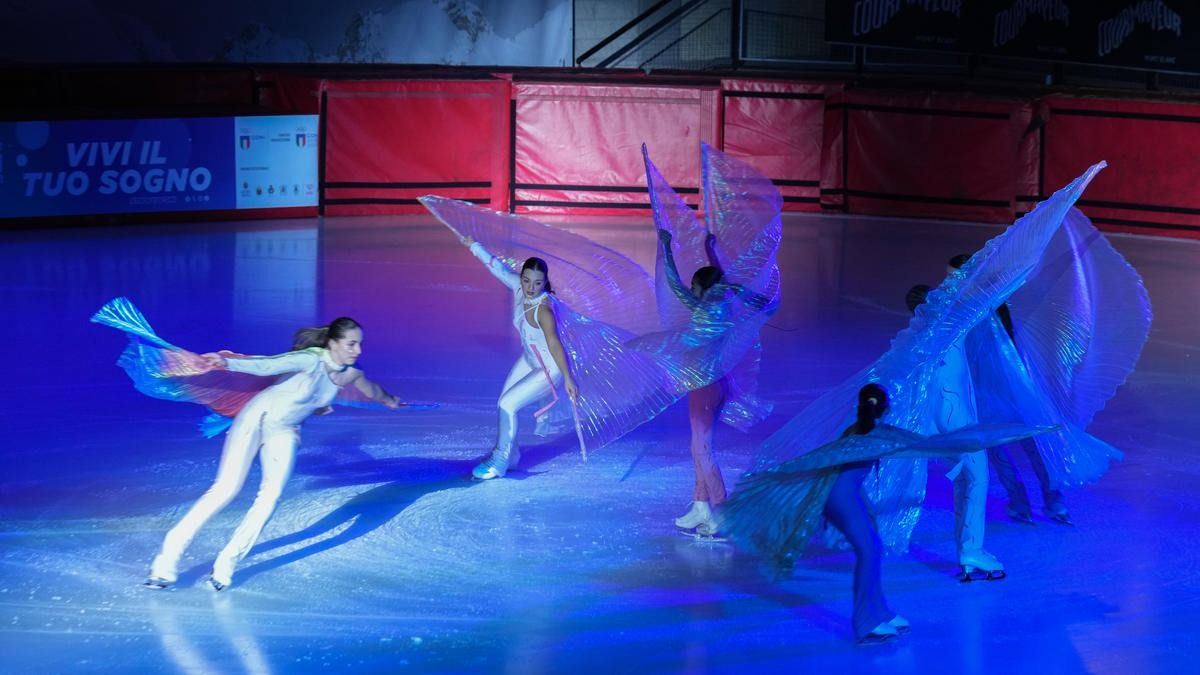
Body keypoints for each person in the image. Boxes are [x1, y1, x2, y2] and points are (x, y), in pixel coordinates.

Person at [91, 299, 400, 591]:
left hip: (285, 431)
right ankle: (165, 563)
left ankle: (226, 564)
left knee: (271, 496)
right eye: (351, 344)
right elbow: (265, 366)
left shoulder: (351, 374)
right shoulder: (309, 359)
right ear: (332, 343)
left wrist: (389, 399)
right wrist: (225, 362)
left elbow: (370, 389)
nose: (358, 350)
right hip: (256, 416)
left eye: (359, 344)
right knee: (225, 489)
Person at [947, 254, 1068, 524]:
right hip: (1004, 388)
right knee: (1021, 446)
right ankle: (1047, 501)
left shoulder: (965, 312)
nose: (949, 282)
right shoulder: (991, 304)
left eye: (954, 276)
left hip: (990, 390)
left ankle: (1028, 502)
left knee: (1007, 448)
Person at [906, 285, 1005, 581]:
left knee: (966, 479)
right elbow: (985, 302)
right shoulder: (951, 331)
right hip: (956, 421)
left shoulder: (916, 340)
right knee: (977, 479)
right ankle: (971, 550)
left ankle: (968, 551)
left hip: (937, 423)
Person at [459, 235, 578, 480]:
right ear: (521, 277)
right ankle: (511, 455)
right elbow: (498, 268)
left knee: (507, 404)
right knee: (503, 403)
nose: (530, 288)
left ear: (545, 283)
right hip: (530, 359)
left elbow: (554, 344)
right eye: (526, 281)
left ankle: (500, 461)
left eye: (537, 283)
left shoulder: (544, 310)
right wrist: (474, 246)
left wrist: (568, 378)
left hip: (550, 369)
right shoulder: (517, 287)